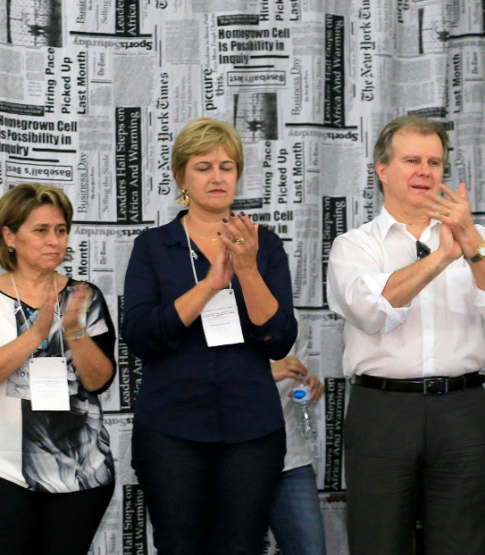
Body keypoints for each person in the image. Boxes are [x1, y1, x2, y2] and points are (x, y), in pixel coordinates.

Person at [326, 115, 485, 555]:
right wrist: (440, 258)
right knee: (378, 542)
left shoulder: (477, 238)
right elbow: (369, 311)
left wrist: (469, 241)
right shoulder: (355, 245)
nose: (425, 171)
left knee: (463, 544)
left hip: (461, 409)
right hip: (383, 411)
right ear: (382, 170)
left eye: (434, 161)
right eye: (412, 160)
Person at [122, 118, 297, 554]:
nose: (217, 177)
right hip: (171, 429)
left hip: (250, 430)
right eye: (203, 167)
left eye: (227, 166)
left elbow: (277, 338)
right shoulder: (154, 245)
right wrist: (209, 285)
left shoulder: (264, 244)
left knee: (241, 546)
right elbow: (141, 335)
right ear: (181, 176)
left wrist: (248, 268)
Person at [0, 183, 116, 554]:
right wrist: (37, 332)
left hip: (80, 475)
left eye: (61, 230)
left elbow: (99, 381)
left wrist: (73, 329)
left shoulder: (85, 297)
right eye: (40, 230)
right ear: (9, 235)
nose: (54, 240)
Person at [268, 313, 327, 555]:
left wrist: (309, 386)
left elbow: (295, 381)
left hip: (290, 458)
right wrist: (265, 372)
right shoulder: (216, 312)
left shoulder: (290, 317)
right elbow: (202, 382)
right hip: (232, 460)